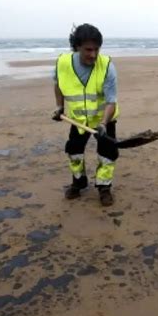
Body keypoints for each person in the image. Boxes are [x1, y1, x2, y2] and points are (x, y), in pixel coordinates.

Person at [51, 23, 119, 207]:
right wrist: (59, 107)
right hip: (78, 120)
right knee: (74, 152)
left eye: (97, 49)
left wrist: (104, 123)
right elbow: (58, 85)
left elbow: (111, 101)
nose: (93, 55)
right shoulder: (63, 63)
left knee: (107, 154)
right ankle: (78, 183)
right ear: (77, 47)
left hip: (104, 119)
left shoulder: (107, 67)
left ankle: (104, 188)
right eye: (88, 49)